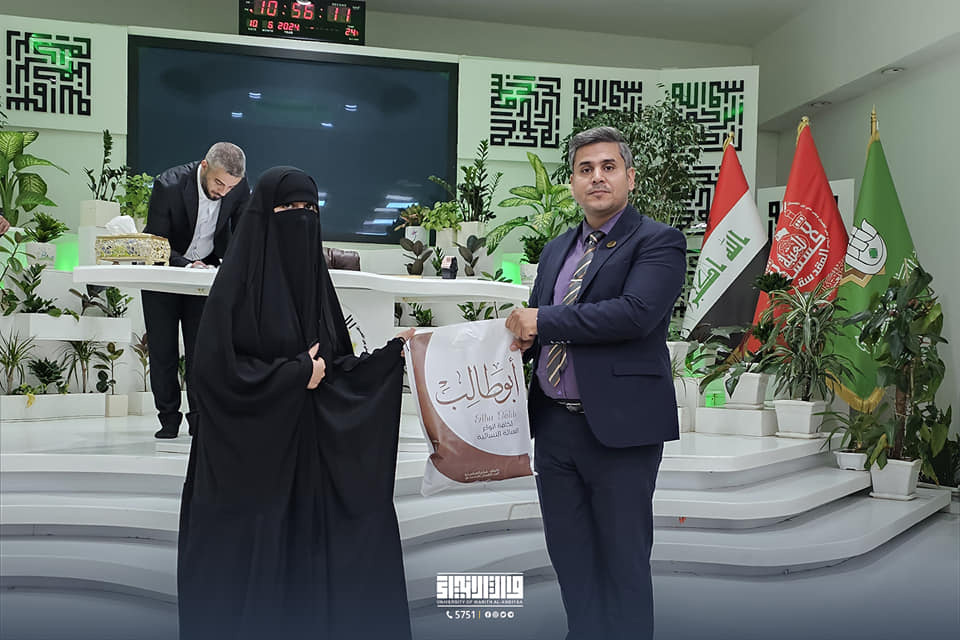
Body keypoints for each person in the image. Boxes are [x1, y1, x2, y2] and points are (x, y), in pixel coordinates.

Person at [177, 166, 414, 640]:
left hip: (307, 467)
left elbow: (336, 367)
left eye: (309, 209)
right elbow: (214, 375)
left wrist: (390, 357)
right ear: (265, 214)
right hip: (252, 477)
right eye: (289, 208)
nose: (300, 218)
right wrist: (294, 373)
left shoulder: (316, 289)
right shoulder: (236, 288)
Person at [505, 126, 686, 640]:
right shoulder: (556, 250)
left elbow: (634, 314)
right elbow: (537, 331)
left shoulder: (658, 241)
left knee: (623, 561)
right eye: (585, 169)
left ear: (630, 177)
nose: (597, 177)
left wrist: (542, 321)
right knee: (571, 556)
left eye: (609, 167)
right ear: (573, 183)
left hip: (621, 431)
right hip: (555, 428)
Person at [142, 142, 250, 438]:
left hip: (205, 278)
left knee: (202, 353)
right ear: (204, 166)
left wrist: (231, 267)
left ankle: (200, 420)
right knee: (163, 351)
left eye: (230, 187)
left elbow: (243, 234)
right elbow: (157, 242)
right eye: (218, 183)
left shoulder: (238, 188)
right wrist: (187, 264)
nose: (223, 191)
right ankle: (168, 419)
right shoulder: (168, 185)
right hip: (164, 275)